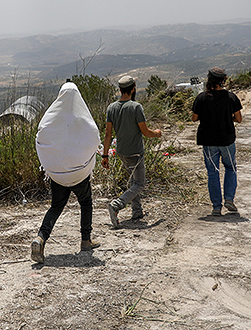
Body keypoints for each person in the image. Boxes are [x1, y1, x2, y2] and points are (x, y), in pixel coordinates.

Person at [31, 81, 102, 264]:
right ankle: (86, 240)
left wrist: (54, 162)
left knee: (56, 207)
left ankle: (40, 238)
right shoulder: (83, 118)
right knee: (85, 202)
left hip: (58, 175)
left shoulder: (50, 119)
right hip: (79, 173)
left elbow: (40, 138)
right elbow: (95, 138)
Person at [102, 75, 162, 228]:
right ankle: (116, 205)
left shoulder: (111, 108)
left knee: (133, 183)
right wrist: (156, 133)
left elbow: (108, 134)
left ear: (120, 89)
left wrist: (105, 154)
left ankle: (137, 211)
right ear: (133, 88)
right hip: (135, 152)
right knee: (140, 184)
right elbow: (145, 132)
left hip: (121, 152)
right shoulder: (136, 107)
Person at [191, 67, 243, 216]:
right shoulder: (231, 97)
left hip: (208, 142)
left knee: (213, 173)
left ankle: (216, 206)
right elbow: (239, 119)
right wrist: (228, 119)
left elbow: (194, 118)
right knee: (230, 168)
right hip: (227, 140)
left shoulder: (201, 97)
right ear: (223, 80)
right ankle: (229, 199)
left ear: (209, 80)